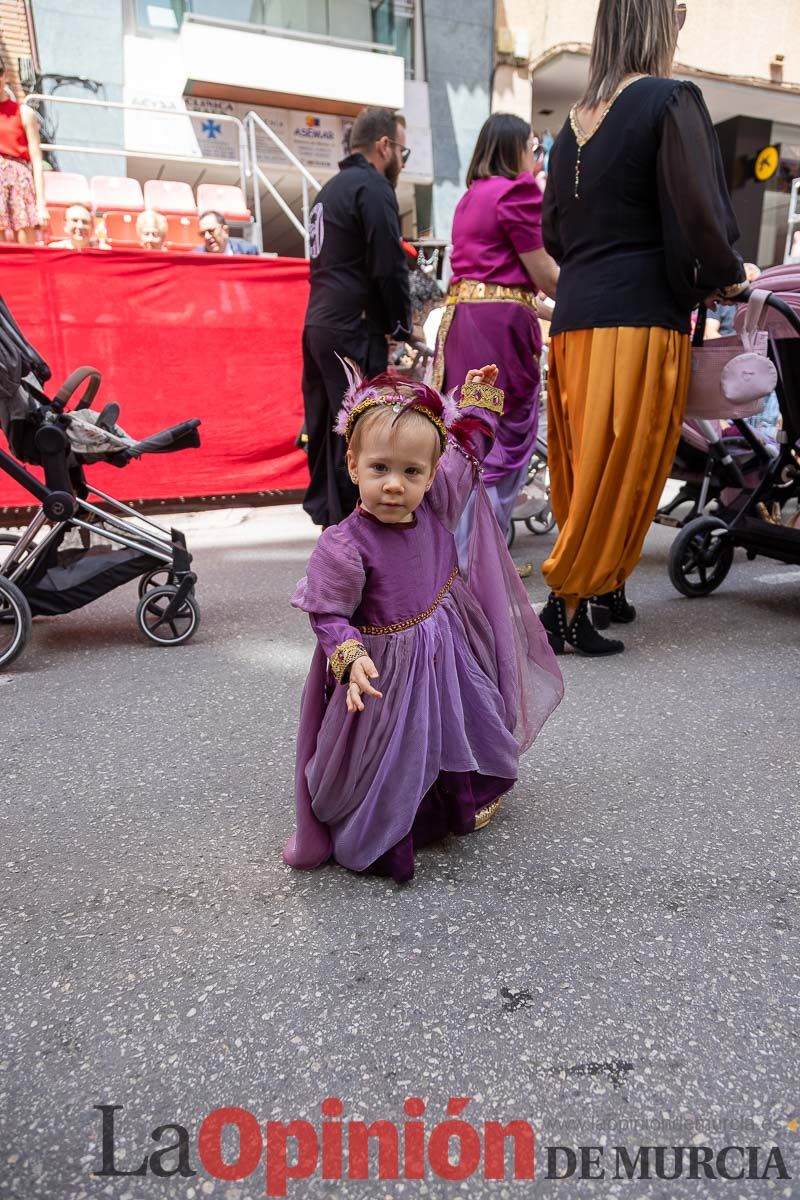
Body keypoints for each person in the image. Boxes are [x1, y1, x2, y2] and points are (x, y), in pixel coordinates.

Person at [283, 363, 563, 883]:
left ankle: (453, 800)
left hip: (445, 648)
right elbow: (328, 612)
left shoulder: (436, 506)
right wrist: (350, 656)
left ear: (431, 476)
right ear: (352, 464)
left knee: (455, 723)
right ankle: (394, 823)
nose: (394, 485)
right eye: (380, 469)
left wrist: (476, 405)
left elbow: (467, 453)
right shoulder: (344, 545)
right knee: (395, 750)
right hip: (385, 671)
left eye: (411, 472)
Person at [538, 0, 747, 657]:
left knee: (583, 468)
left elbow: (553, 233)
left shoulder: (572, 124)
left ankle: (599, 585)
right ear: (660, 21)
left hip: (574, 321)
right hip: (637, 318)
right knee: (628, 464)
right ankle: (567, 602)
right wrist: (726, 273)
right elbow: (698, 210)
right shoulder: (669, 98)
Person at [433, 113, 559, 568]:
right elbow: (543, 276)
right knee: (503, 442)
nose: (535, 155)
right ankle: (478, 565)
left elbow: (496, 283)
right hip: (499, 335)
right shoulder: (518, 191)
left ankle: (456, 561)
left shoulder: (470, 198)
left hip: (464, 325)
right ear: (515, 149)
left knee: (470, 436)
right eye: (532, 145)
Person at [301, 106, 412, 528]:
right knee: (359, 431)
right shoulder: (373, 185)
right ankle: (357, 532)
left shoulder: (327, 189)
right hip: (352, 324)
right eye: (402, 149)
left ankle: (333, 526)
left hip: (318, 322)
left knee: (329, 429)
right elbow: (388, 264)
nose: (402, 159)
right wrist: (399, 325)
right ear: (384, 146)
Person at [0, 56, 48, 243]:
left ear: (3, 76)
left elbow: (37, 159)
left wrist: (41, 203)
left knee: (24, 239)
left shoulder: (24, 113)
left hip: (19, 178)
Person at [194, 210, 259, 255]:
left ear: (225, 230)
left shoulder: (248, 251)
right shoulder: (196, 256)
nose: (206, 237)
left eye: (211, 231)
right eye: (203, 233)